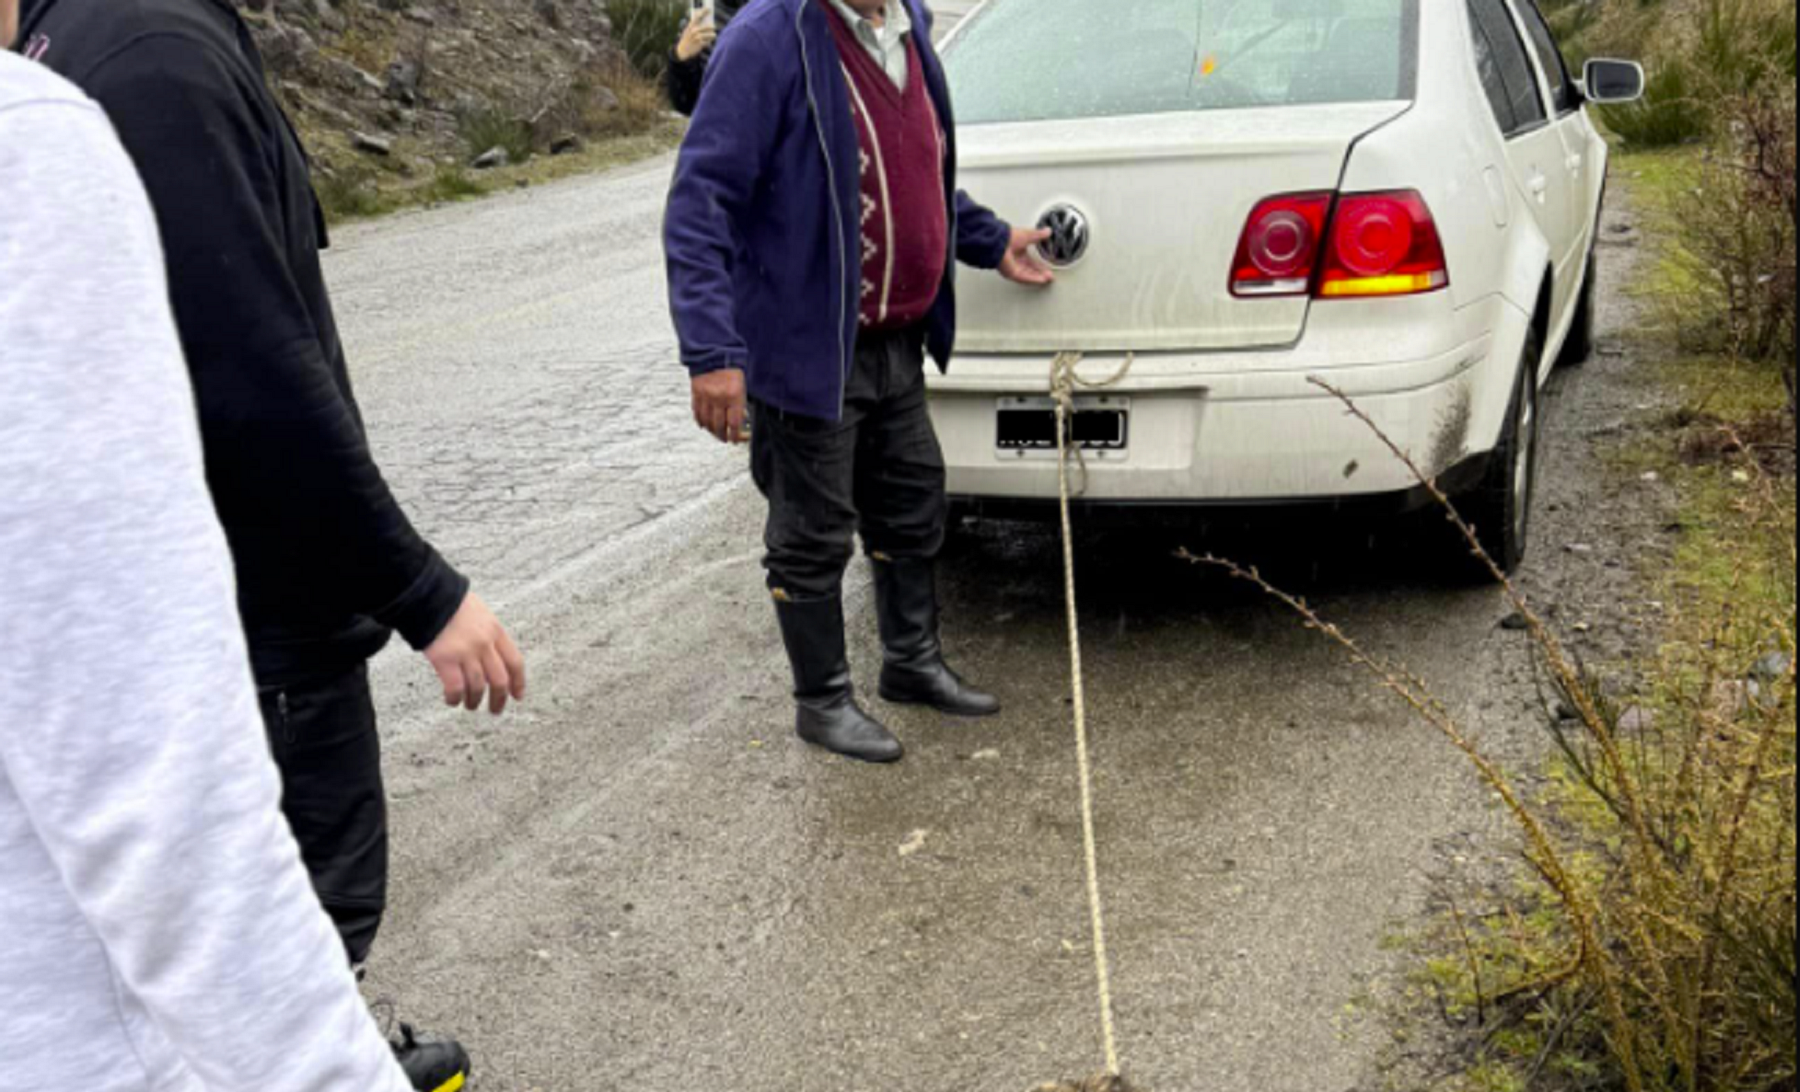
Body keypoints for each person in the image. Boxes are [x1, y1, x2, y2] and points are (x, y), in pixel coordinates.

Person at [15, 0, 526, 1084]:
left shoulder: (119, 34)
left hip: (244, 598)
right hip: (263, 621)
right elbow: (249, 375)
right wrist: (424, 593)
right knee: (306, 897)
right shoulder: (149, 55)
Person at [665, 0, 1054, 764]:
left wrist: (987, 239)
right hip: (807, 346)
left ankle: (911, 664)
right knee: (811, 533)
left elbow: (921, 174)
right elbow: (699, 203)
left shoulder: (908, 24)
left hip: (897, 341)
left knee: (913, 503)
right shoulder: (771, 35)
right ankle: (823, 701)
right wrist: (711, 351)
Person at [665, 0, 741, 116]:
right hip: (721, 124)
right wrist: (682, 59)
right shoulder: (702, 17)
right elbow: (686, 105)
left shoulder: (772, 11)